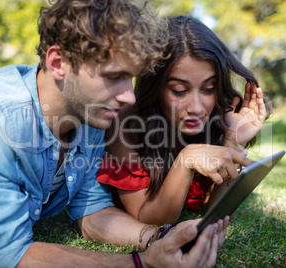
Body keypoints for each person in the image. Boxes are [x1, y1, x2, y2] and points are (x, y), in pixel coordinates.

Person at [0, 1, 230, 267]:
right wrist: (140, 263)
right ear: (58, 63)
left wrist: (157, 238)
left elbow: (91, 210)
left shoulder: (89, 115)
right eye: (114, 77)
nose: (129, 97)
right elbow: (10, 255)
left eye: (130, 79)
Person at [97, 16, 270, 225]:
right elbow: (148, 218)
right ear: (156, 88)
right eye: (179, 91)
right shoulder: (128, 123)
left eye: (208, 89)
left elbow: (214, 209)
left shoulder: (221, 115)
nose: (196, 108)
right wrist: (185, 160)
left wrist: (233, 144)